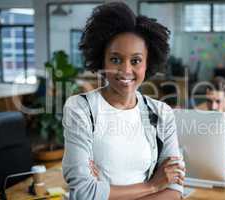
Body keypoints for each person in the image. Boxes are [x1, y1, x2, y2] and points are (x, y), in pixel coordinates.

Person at [62, 2, 185, 200]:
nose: (126, 70)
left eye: (135, 60)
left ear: (147, 63)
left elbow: (175, 189)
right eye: (115, 59)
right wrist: (153, 185)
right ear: (102, 61)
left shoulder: (162, 113)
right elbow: (84, 193)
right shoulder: (81, 108)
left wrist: (104, 191)